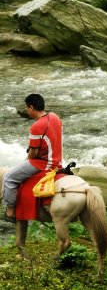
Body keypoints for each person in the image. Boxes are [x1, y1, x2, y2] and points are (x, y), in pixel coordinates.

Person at [2, 94, 63, 223]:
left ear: (31, 107)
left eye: (26, 107)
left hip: (43, 164)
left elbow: (33, 155)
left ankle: (10, 212)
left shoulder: (36, 126)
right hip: (58, 161)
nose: (26, 110)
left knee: (8, 178)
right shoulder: (54, 117)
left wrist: (27, 156)